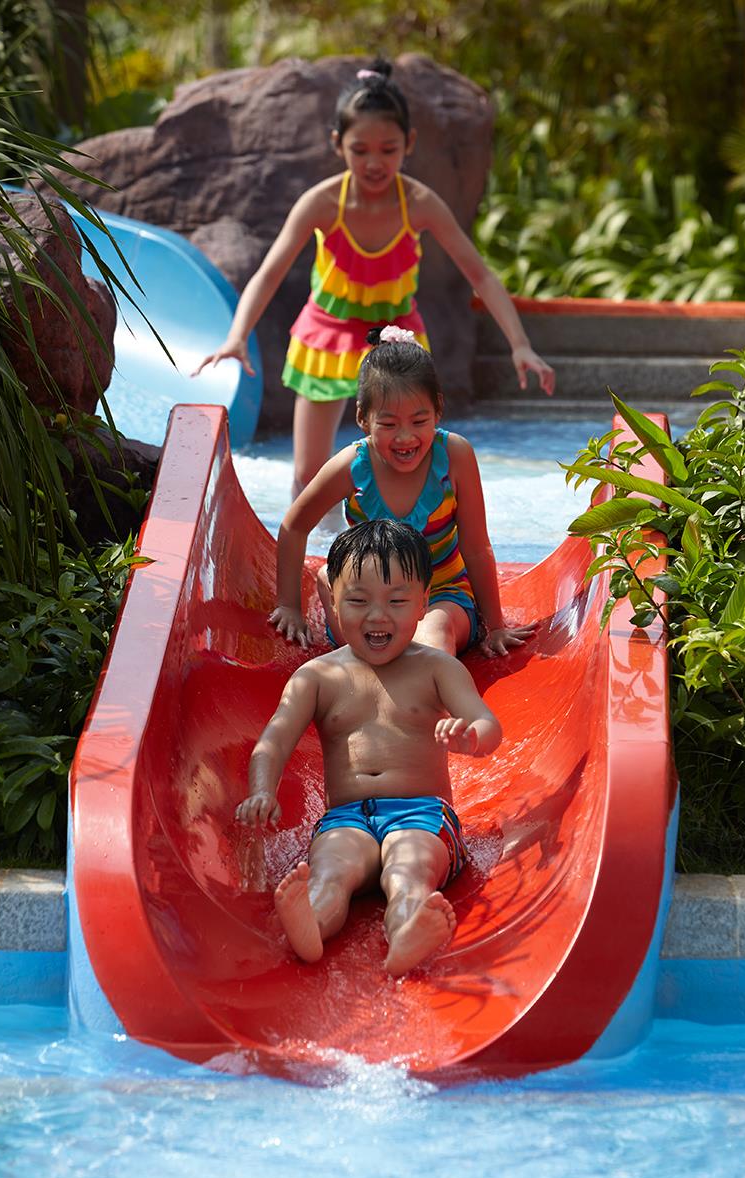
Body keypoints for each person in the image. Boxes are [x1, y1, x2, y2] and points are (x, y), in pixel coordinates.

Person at [193, 58, 555, 498]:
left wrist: (520, 344)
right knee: (309, 473)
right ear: (337, 144)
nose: (374, 162)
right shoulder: (322, 202)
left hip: (397, 337)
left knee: (406, 457)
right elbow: (269, 273)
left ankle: (399, 534)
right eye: (360, 149)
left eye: (388, 149)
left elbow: (478, 272)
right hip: (327, 333)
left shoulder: (419, 203)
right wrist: (237, 336)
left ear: (409, 143)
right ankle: (319, 537)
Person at [235, 519, 502, 976]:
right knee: (331, 871)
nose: (378, 616)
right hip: (347, 817)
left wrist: (471, 736)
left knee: (408, 872)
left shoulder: (437, 668)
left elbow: (488, 723)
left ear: (423, 603)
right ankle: (311, 923)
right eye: (358, 601)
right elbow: (274, 741)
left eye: (397, 601)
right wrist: (262, 790)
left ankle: (406, 932)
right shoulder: (317, 676)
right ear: (333, 602)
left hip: (422, 813)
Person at [269, 325, 538, 658]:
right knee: (337, 589)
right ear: (363, 419)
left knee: (433, 636)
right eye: (388, 424)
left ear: (438, 410)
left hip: (441, 595)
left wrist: (495, 625)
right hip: (370, 600)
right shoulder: (353, 466)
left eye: (419, 421)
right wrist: (288, 605)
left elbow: (476, 547)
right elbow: (294, 527)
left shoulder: (454, 456)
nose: (405, 437)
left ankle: (418, 675)